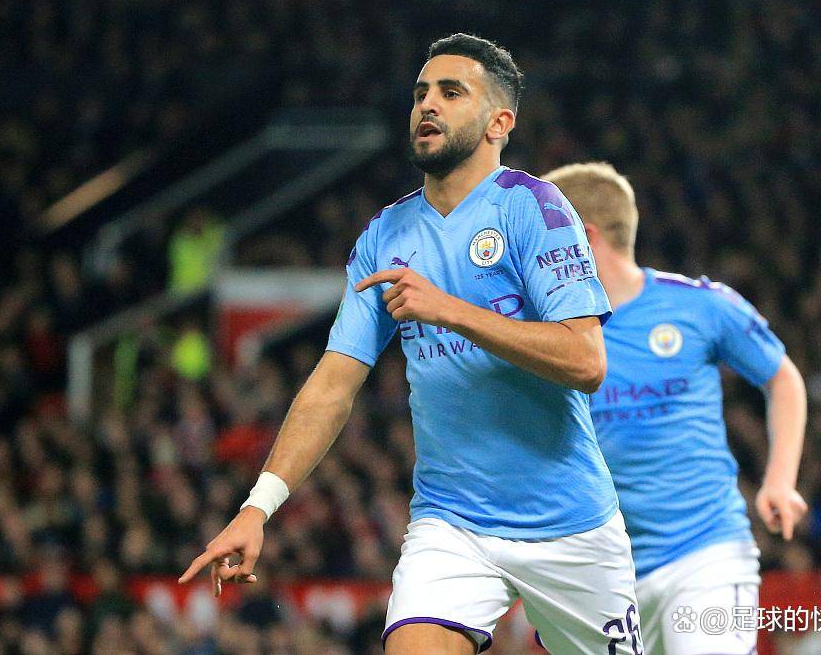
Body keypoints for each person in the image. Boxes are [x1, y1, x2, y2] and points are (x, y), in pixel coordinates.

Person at [180, 35, 643, 654]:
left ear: (499, 123)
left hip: (571, 525)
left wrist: (451, 310)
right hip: (452, 525)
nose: (428, 104)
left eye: (452, 93)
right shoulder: (385, 235)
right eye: (421, 93)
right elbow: (333, 383)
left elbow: (585, 360)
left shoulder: (533, 208)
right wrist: (257, 508)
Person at [542, 162, 808, 654]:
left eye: (542, 240)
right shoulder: (544, 334)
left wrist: (779, 480)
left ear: (585, 238)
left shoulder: (700, 306)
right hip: (602, 577)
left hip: (705, 553)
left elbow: (782, 377)